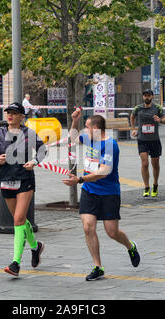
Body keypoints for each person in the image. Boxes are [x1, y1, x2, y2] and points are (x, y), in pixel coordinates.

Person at [62, 108, 140, 281]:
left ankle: (130, 246)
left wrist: (80, 179)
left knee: (112, 232)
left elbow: (103, 172)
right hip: (90, 191)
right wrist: (75, 120)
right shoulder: (90, 139)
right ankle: (98, 266)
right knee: (88, 226)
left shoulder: (110, 145)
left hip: (109, 192)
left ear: (96, 128)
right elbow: (73, 138)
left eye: (87, 126)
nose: (84, 129)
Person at [0, 102, 47, 277]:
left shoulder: (29, 133)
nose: (10, 115)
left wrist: (34, 162)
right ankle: (36, 247)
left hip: (25, 180)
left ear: (22, 116)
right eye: (8, 112)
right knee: (19, 220)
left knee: (19, 219)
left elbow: (42, 150)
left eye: (14, 113)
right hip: (6, 180)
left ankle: (15, 263)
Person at [130, 89, 165, 197]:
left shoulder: (157, 108)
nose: (147, 97)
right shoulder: (138, 108)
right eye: (145, 95)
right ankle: (146, 187)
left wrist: (160, 120)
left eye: (149, 96)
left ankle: (155, 183)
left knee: (155, 164)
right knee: (145, 164)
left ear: (152, 97)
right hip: (142, 140)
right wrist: (133, 129)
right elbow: (132, 116)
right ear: (143, 97)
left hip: (154, 140)